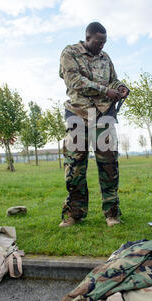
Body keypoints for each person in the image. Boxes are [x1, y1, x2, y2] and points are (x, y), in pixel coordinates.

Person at [59, 22, 129, 228]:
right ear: (88, 38)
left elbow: (113, 81)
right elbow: (74, 80)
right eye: (99, 42)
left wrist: (120, 88)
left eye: (104, 43)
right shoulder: (69, 52)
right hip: (78, 114)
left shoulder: (105, 58)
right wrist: (104, 90)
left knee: (109, 167)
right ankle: (74, 214)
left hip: (103, 116)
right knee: (75, 167)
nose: (102, 46)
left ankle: (112, 213)